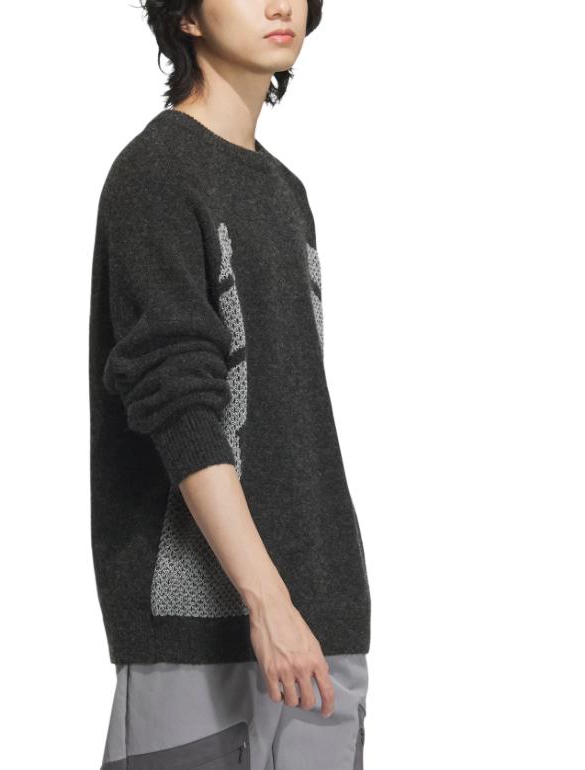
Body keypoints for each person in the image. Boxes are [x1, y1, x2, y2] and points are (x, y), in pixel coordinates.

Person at [88, 1, 371, 767]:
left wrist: (308, 599)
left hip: (323, 618)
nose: (280, 6)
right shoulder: (157, 175)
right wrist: (266, 600)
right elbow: (179, 403)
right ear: (186, 16)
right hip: (198, 626)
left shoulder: (286, 191)